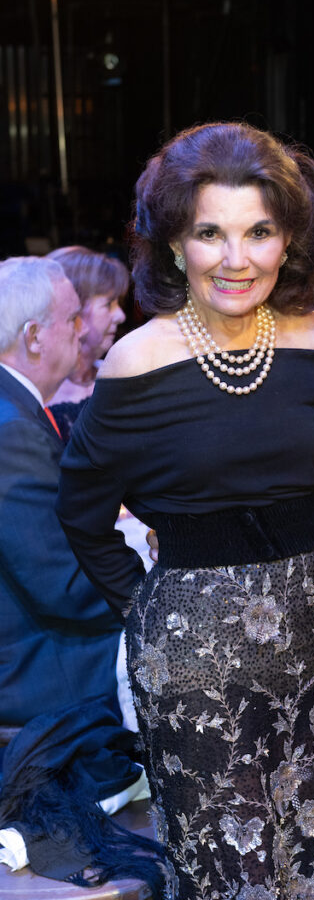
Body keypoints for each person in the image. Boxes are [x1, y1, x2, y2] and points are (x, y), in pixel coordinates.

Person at [57, 122, 314, 900]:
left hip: (312, 643)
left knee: (309, 857)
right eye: (209, 233)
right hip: (192, 662)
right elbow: (82, 513)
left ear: (288, 240)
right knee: (230, 870)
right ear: (173, 244)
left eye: (258, 231)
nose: (235, 258)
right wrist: (149, 609)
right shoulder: (138, 359)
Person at [0, 256, 123, 726]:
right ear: (34, 337)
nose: (82, 330)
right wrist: (162, 592)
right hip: (38, 673)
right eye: (73, 318)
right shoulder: (12, 431)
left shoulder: (14, 409)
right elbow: (66, 589)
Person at [47, 245, 129, 439]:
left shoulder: (118, 377)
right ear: (72, 309)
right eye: (108, 304)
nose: (121, 316)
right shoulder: (40, 395)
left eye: (118, 303)